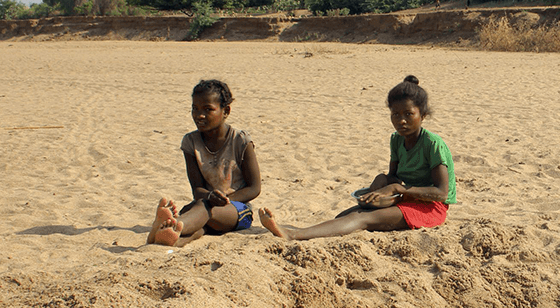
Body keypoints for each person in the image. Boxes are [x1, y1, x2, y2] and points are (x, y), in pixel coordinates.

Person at [259, 75, 456, 240]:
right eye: (395, 114)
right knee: (346, 215)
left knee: (361, 219)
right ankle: (300, 231)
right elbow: (394, 177)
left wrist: (398, 188)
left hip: (431, 208)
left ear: (423, 115)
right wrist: (383, 182)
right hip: (406, 199)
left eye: (408, 114)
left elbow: (441, 193)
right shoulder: (397, 140)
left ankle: (293, 235)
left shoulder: (432, 144)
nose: (401, 120)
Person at [147, 80, 261, 247]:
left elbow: (254, 188)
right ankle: (167, 239)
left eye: (208, 109)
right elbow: (197, 188)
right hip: (205, 205)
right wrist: (209, 197)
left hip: (237, 210)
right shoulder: (190, 142)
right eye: (195, 108)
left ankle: (174, 225)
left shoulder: (240, 141)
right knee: (200, 225)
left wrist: (224, 200)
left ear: (225, 111)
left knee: (203, 210)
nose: (199, 115)